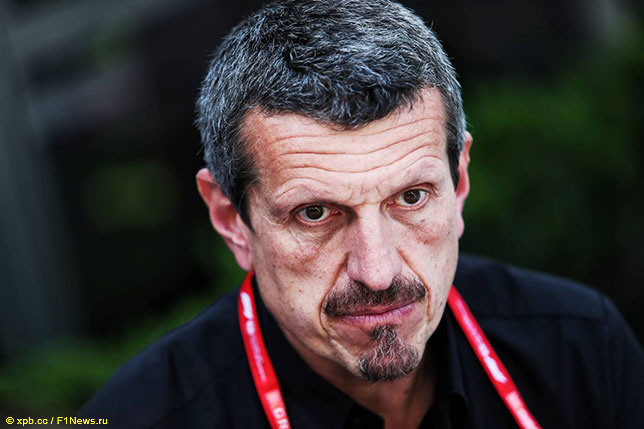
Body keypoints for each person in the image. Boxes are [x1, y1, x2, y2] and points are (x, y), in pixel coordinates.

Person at [79, 0, 644, 427]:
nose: (377, 272)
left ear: (459, 184)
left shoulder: (581, 351)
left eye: (411, 197)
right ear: (231, 221)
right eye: (315, 213)